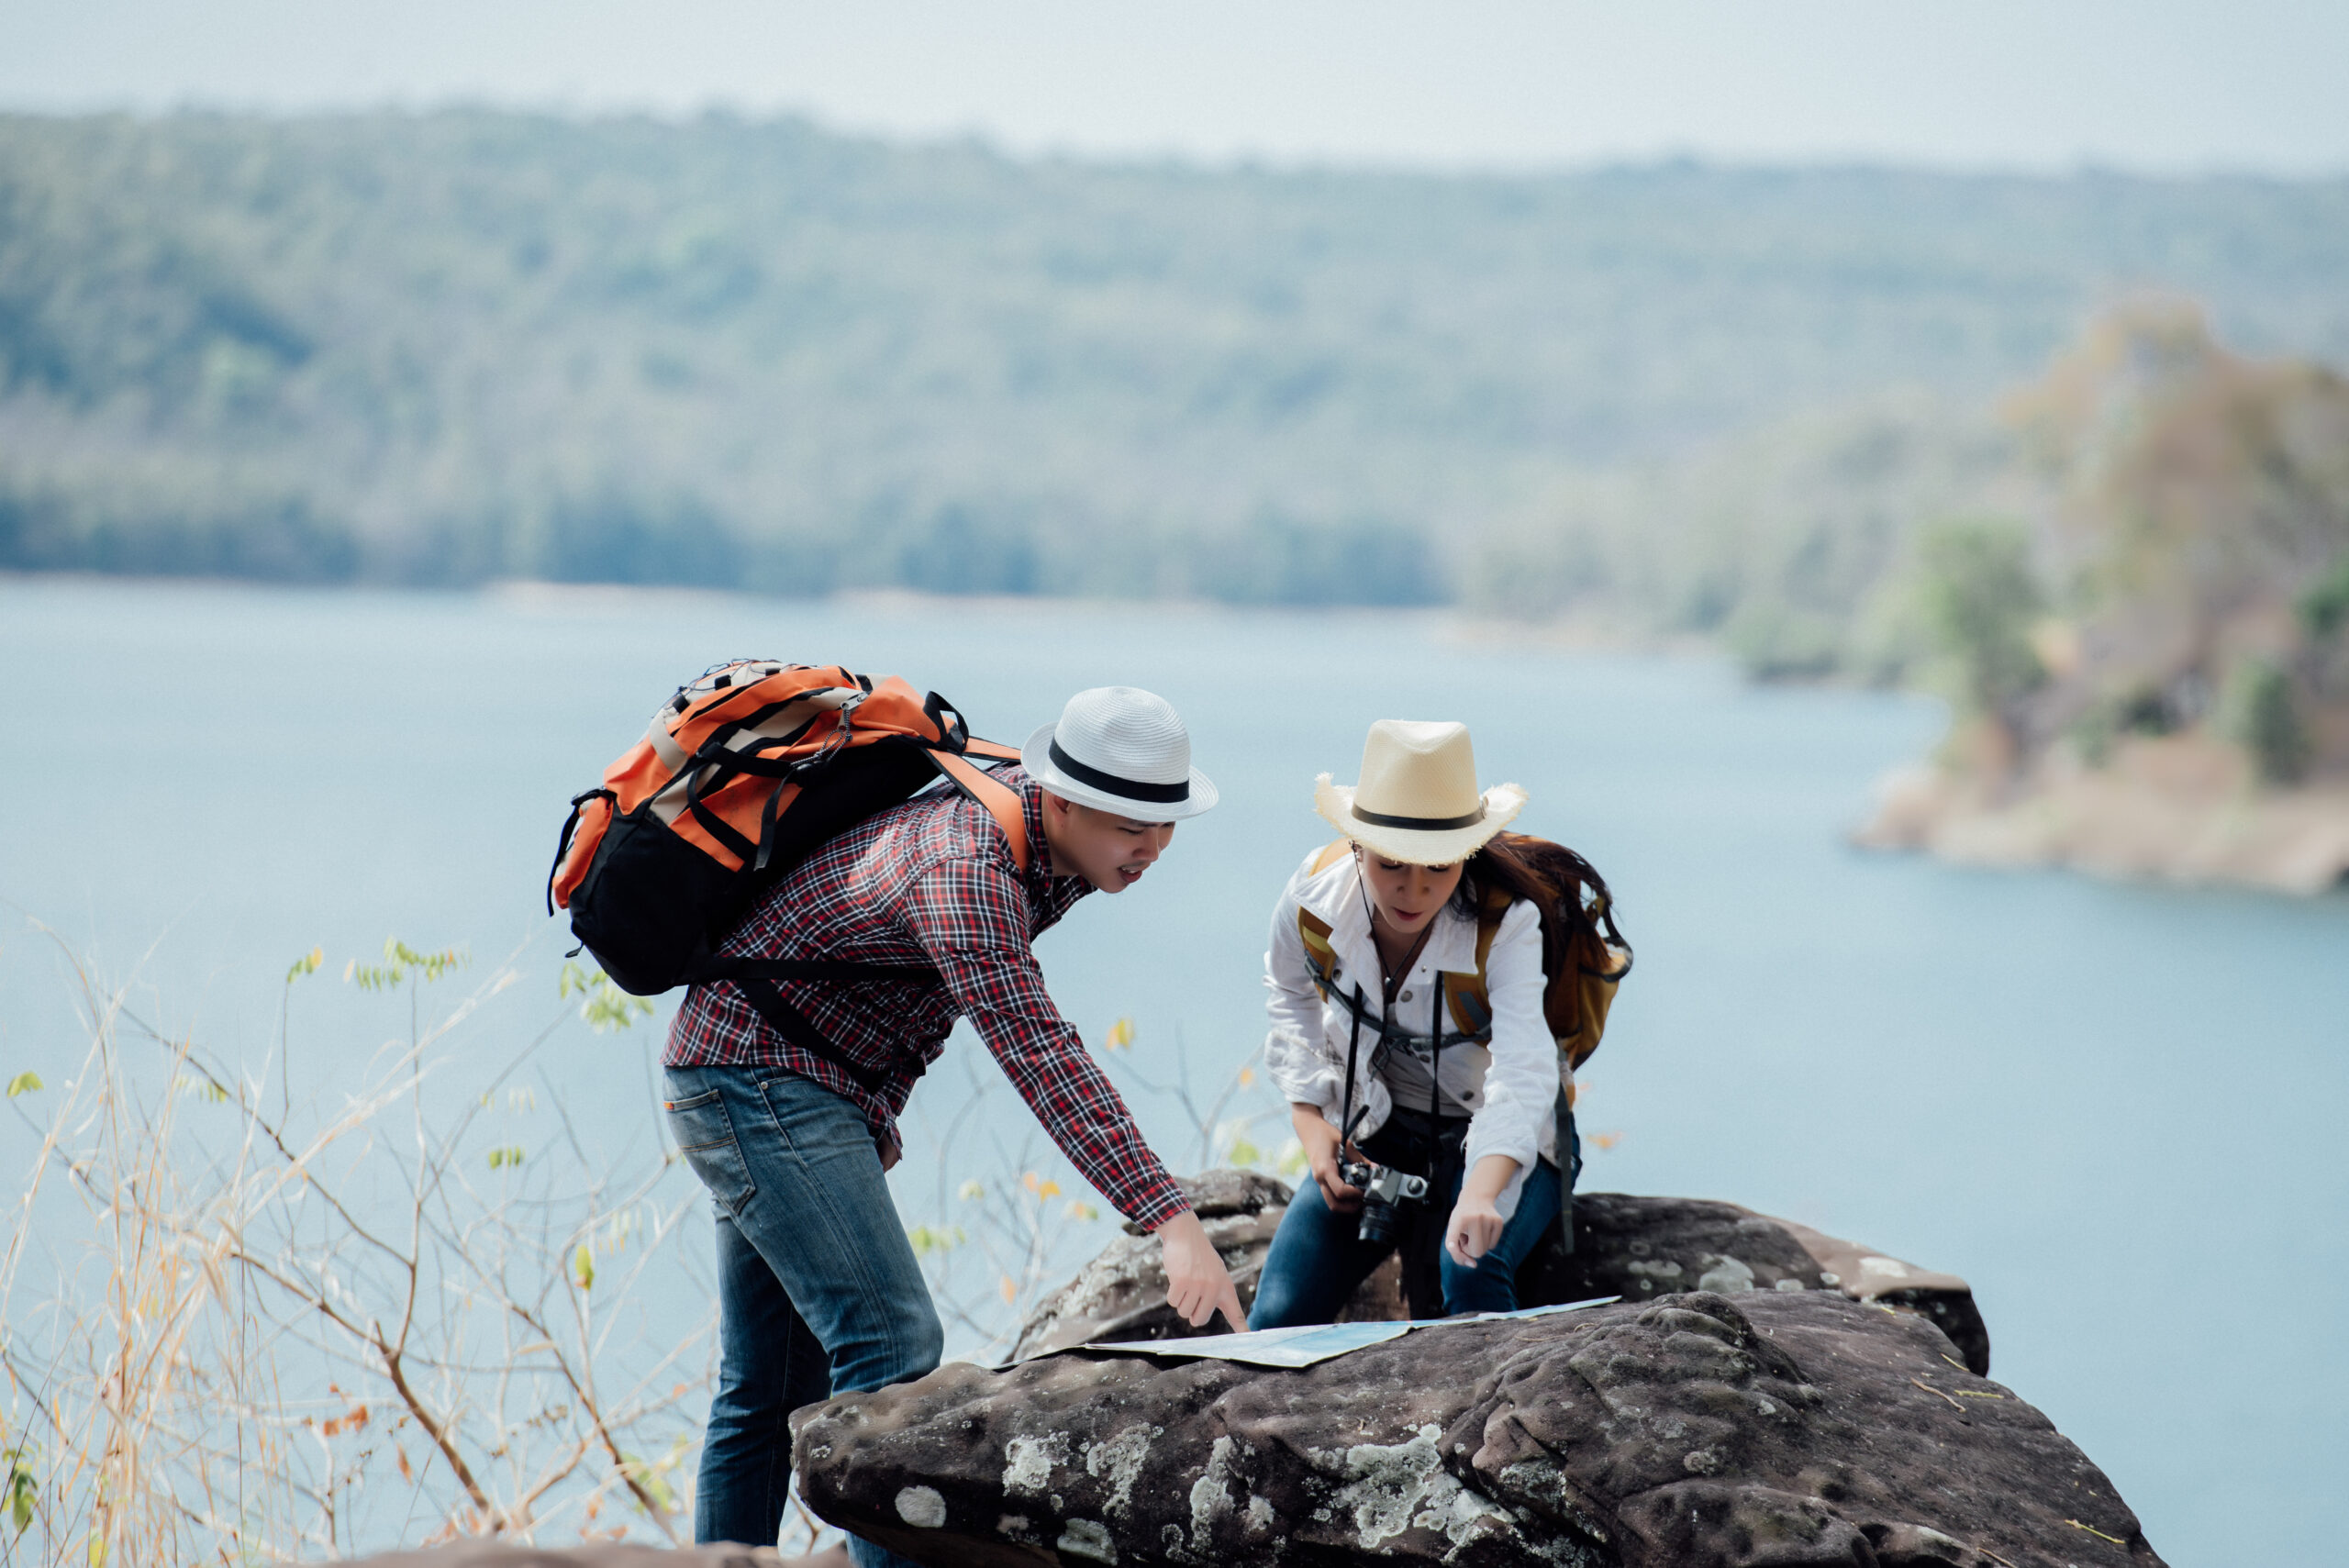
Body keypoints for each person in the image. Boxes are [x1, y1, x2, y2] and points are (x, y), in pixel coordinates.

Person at [662, 685, 1248, 1567]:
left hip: (774, 1073)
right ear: (1070, 800)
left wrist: (871, 1108)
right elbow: (1040, 1052)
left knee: (771, 1384)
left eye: (1167, 823)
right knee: (893, 1347)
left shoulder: (1052, 839)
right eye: (1134, 825)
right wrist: (1170, 1217)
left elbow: (912, 986)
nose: (1154, 847)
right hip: (756, 1078)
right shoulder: (967, 868)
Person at [1251, 717, 1578, 1328]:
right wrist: (1310, 1119)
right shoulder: (1315, 894)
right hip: (1378, 1131)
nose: (1415, 888)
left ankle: (1499, 1419)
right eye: (1393, 864)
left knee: (1473, 1269)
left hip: (1501, 1133)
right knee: (1276, 1316)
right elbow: (1287, 989)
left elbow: (1523, 1070)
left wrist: (1481, 1192)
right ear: (1357, 845)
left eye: (1439, 867)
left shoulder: (1504, 923)